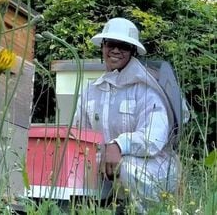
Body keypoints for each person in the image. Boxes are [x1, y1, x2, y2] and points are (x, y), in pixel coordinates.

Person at [72, 18, 179, 213]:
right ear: (103, 46)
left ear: (133, 51)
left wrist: (119, 145)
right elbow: (79, 135)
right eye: (111, 44)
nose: (116, 50)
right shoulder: (90, 91)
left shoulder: (147, 89)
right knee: (73, 166)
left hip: (153, 168)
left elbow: (153, 137)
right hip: (105, 166)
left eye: (124, 46)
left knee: (127, 166)